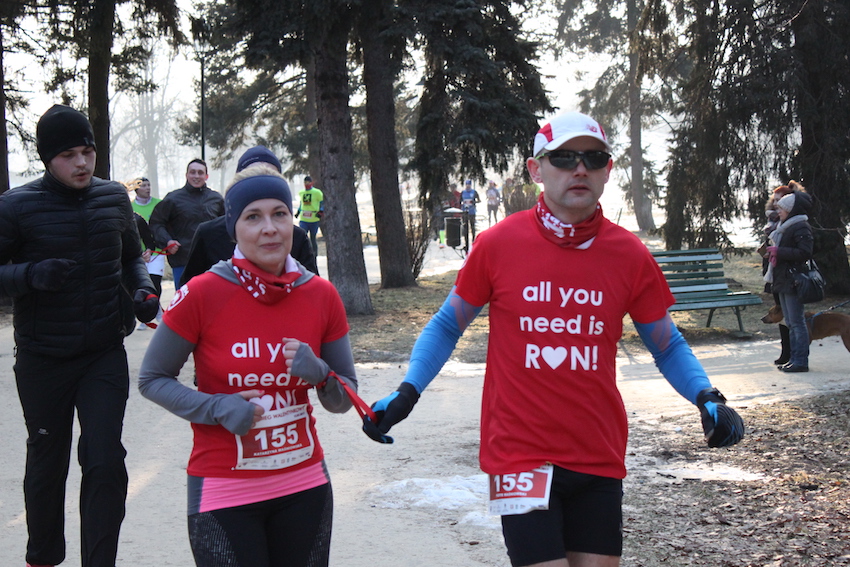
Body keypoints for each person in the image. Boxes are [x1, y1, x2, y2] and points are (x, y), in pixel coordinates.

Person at [363, 111, 745, 567]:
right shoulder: (498, 243)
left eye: (593, 158)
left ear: (608, 170)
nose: (579, 168)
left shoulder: (629, 254)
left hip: (597, 452)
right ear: (535, 169)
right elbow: (447, 325)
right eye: (563, 158)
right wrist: (408, 390)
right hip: (518, 454)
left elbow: (667, 344)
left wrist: (706, 396)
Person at [139, 167, 357, 567]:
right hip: (224, 488)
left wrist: (322, 375)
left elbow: (345, 398)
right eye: (253, 216)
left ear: (292, 221)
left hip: (304, 484)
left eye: (280, 214)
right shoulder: (203, 292)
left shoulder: (321, 294)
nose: (269, 228)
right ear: (233, 228)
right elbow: (152, 379)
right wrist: (216, 407)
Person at [0, 104, 159, 567]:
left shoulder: (113, 199)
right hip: (43, 358)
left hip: (102, 353)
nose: (82, 163)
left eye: (87, 151)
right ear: (47, 158)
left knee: (105, 460)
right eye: (68, 154)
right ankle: (43, 557)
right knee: (48, 463)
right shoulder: (15, 207)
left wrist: (143, 291)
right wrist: (30, 275)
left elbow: (130, 258)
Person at [179, 146, 319, 286]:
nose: (269, 229)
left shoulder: (297, 237)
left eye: (270, 175)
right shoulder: (208, 234)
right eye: (252, 217)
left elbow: (312, 289)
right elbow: (189, 287)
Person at [149, 159, 224, 286]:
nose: (196, 176)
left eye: (200, 173)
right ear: (186, 175)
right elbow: (156, 223)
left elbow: (226, 225)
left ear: (206, 176)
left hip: (212, 262)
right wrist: (167, 241)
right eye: (192, 172)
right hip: (183, 261)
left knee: (213, 297)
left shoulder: (216, 199)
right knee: (186, 298)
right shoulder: (173, 199)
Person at [764, 185, 814, 373]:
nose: (778, 211)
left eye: (782, 208)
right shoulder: (784, 227)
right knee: (791, 323)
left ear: (790, 209)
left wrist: (779, 251)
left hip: (793, 280)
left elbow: (805, 252)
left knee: (797, 322)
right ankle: (793, 359)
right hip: (783, 279)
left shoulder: (800, 226)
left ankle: (800, 361)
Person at [759, 182, 797, 365]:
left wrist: (777, 252)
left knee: (792, 317)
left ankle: (795, 354)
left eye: (780, 201)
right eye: (774, 200)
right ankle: (786, 352)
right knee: (780, 315)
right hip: (774, 273)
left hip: (788, 275)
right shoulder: (772, 222)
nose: (776, 204)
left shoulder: (791, 223)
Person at [131, 177, 166, 327]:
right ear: (136, 189)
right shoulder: (130, 207)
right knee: (141, 284)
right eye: (144, 185)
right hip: (137, 253)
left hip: (157, 251)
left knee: (154, 282)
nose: (147, 188)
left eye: (149, 185)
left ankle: (154, 310)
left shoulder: (159, 204)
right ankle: (144, 316)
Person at [295, 175, 324, 258]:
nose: (306, 184)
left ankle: (314, 256)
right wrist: (298, 212)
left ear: (312, 183)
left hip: (314, 219)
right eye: (305, 182)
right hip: (304, 219)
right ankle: (302, 255)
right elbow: (301, 204)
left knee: (313, 238)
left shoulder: (317, 192)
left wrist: (321, 211)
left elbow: (322, 203)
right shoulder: (301, 192)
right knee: (302, 236)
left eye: (308, 182)